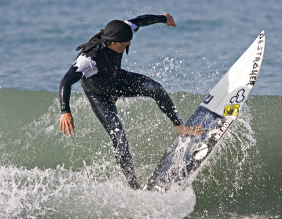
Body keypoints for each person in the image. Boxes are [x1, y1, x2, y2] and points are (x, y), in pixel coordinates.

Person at [59, 13, 203, 189]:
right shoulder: (88, 60)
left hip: (117, 79)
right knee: (118, 136)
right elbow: (66, 81)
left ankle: (181, 128)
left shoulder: (122, 31)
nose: (129, 43)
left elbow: (139, 21)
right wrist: (65, 111)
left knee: (156, 89)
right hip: (99, 95)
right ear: (113, 43)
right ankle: (133, 186)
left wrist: (164, 18)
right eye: (125, 42)